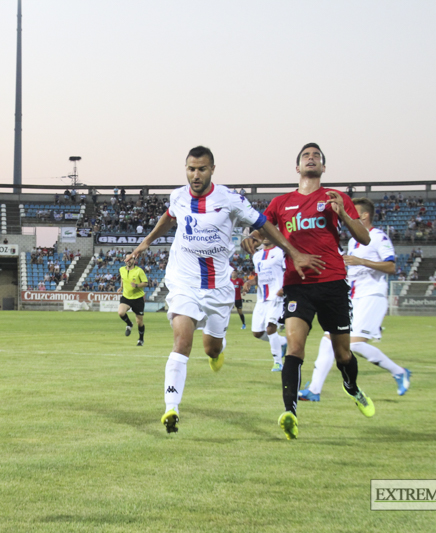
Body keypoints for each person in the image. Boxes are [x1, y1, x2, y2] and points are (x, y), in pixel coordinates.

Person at [128, 146, 317, 435]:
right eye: (191, 168)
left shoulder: (229, 200)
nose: (195, 174)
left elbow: (265, 223)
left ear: (212, 169)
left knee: (211, 348)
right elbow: (168, 218)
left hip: (217, 287)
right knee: (182, 341)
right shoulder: (178, 196)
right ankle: (171, 407)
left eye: (202, 169)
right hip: (183, 281)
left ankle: (219, 348)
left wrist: (292, 251)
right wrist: (145, 243)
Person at [244, 142, 373, 440]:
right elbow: (262, 229)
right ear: (297, 167)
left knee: (343, 354)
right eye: (306, 156)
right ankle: (290, 412)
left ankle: (351, 387)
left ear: (323, 167)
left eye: (316, 156)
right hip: (297, 284)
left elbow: (364, 238)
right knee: (295, 346)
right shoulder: (280, 202)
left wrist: (344, 215)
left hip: (332, 283)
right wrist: (250, 236)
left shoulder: (336, 197)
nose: (311, 158)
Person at [299, 198, 411, 401]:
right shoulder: (352, 241)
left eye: (353, 212)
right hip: (353, 297)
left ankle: (399, 371)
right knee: (328, 340)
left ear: (365, 216)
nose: (347, 215)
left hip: (372, 296)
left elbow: (391, 267)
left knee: (353, 344)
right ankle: (314, 390)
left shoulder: (378, 237)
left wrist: (361, 261)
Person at [243, 238, 288, 372]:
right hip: (261, 299)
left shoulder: (281, 252)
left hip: (277, 297)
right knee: (257, 333)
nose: (264, 237)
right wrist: (249, 283)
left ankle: (278, 362)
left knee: (270, 328)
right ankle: (282, 342)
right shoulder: (257, 256)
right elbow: (260, 276)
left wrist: (285, 288)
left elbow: (288, 272)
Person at [117, 256, 148, 346]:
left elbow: (145, 283)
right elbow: (122, 278)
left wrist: (137, 285)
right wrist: (121, 287)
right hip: (126, 297)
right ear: (124, 261)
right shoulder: (122, 269)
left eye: (130, 258)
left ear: (134, 260)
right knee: (121, 312)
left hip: (138, 298)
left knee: (139, 322)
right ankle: (129, 324)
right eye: (127, 259)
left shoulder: (139, 271)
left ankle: (141, 339)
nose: (128, 260)